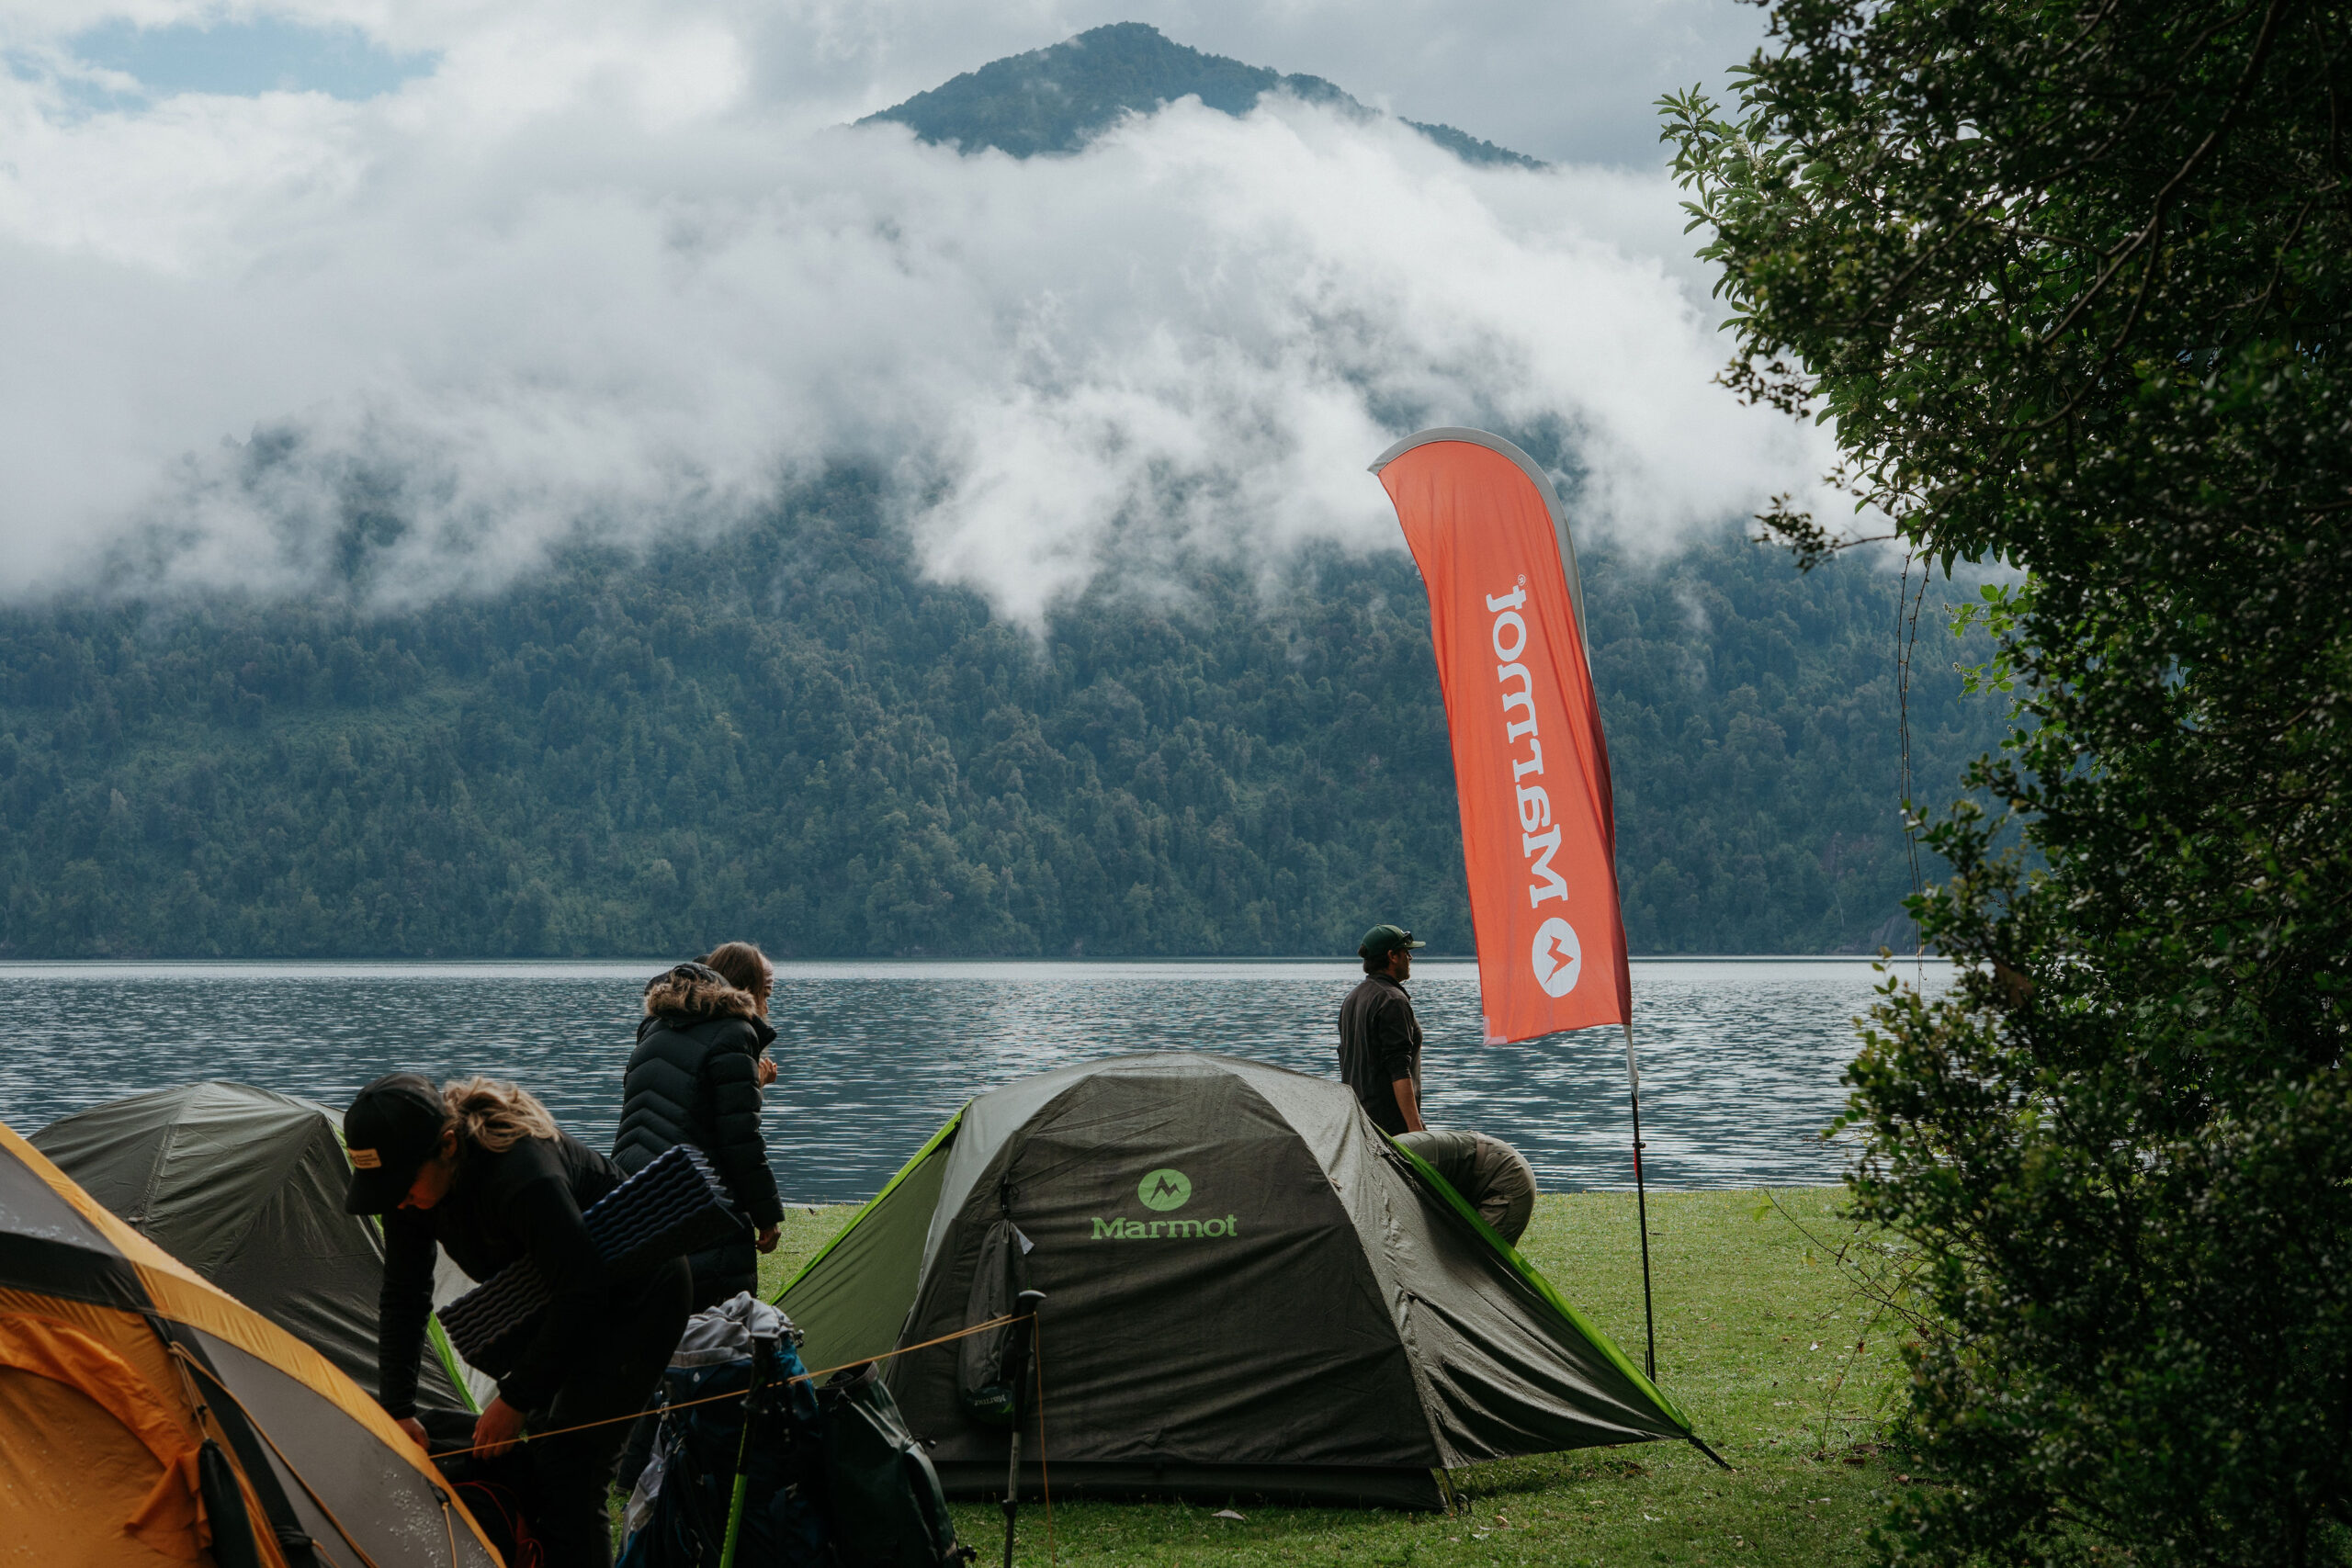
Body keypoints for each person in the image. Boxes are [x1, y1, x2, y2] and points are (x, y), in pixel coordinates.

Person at [347, 1072, 690, 1568]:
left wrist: (515, 1397)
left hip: (640, 1296)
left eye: (400, 1186)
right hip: (562, 1298)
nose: (397, 1201)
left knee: (573, 1471)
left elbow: (583, 1290)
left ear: (447, 1145)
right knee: (546, 1466)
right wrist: (398, 1408)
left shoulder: (523, 1173)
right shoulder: (412, 1190)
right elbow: (404, 1294)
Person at [612, 952, 785, 1309]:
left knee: (651, 1311)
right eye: (765, 994)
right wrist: (767, 1216)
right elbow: (741, 1140)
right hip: (695, 1195)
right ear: (745, 990)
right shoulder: (734, 1033)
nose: (766, 1006)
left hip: (632, 1189)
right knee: (714, 1317)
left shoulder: (655, 1029)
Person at [1338, 923, 1428, 1134]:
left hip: (1360, 1123)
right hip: (1392, 1128)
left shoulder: (1352, 999)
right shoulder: (1393, 1001)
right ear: (1392, 956)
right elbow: (1399, 1067)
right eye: (1406, 952)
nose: (1410, 958)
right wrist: (1415, 1129)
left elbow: (1345, 1062)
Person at [1395, 1129, 1539, 1245]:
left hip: (1507, 1176)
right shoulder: (1388, 1149)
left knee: (1478, 1259)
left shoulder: (1397, 1161)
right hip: (1480, 1169)